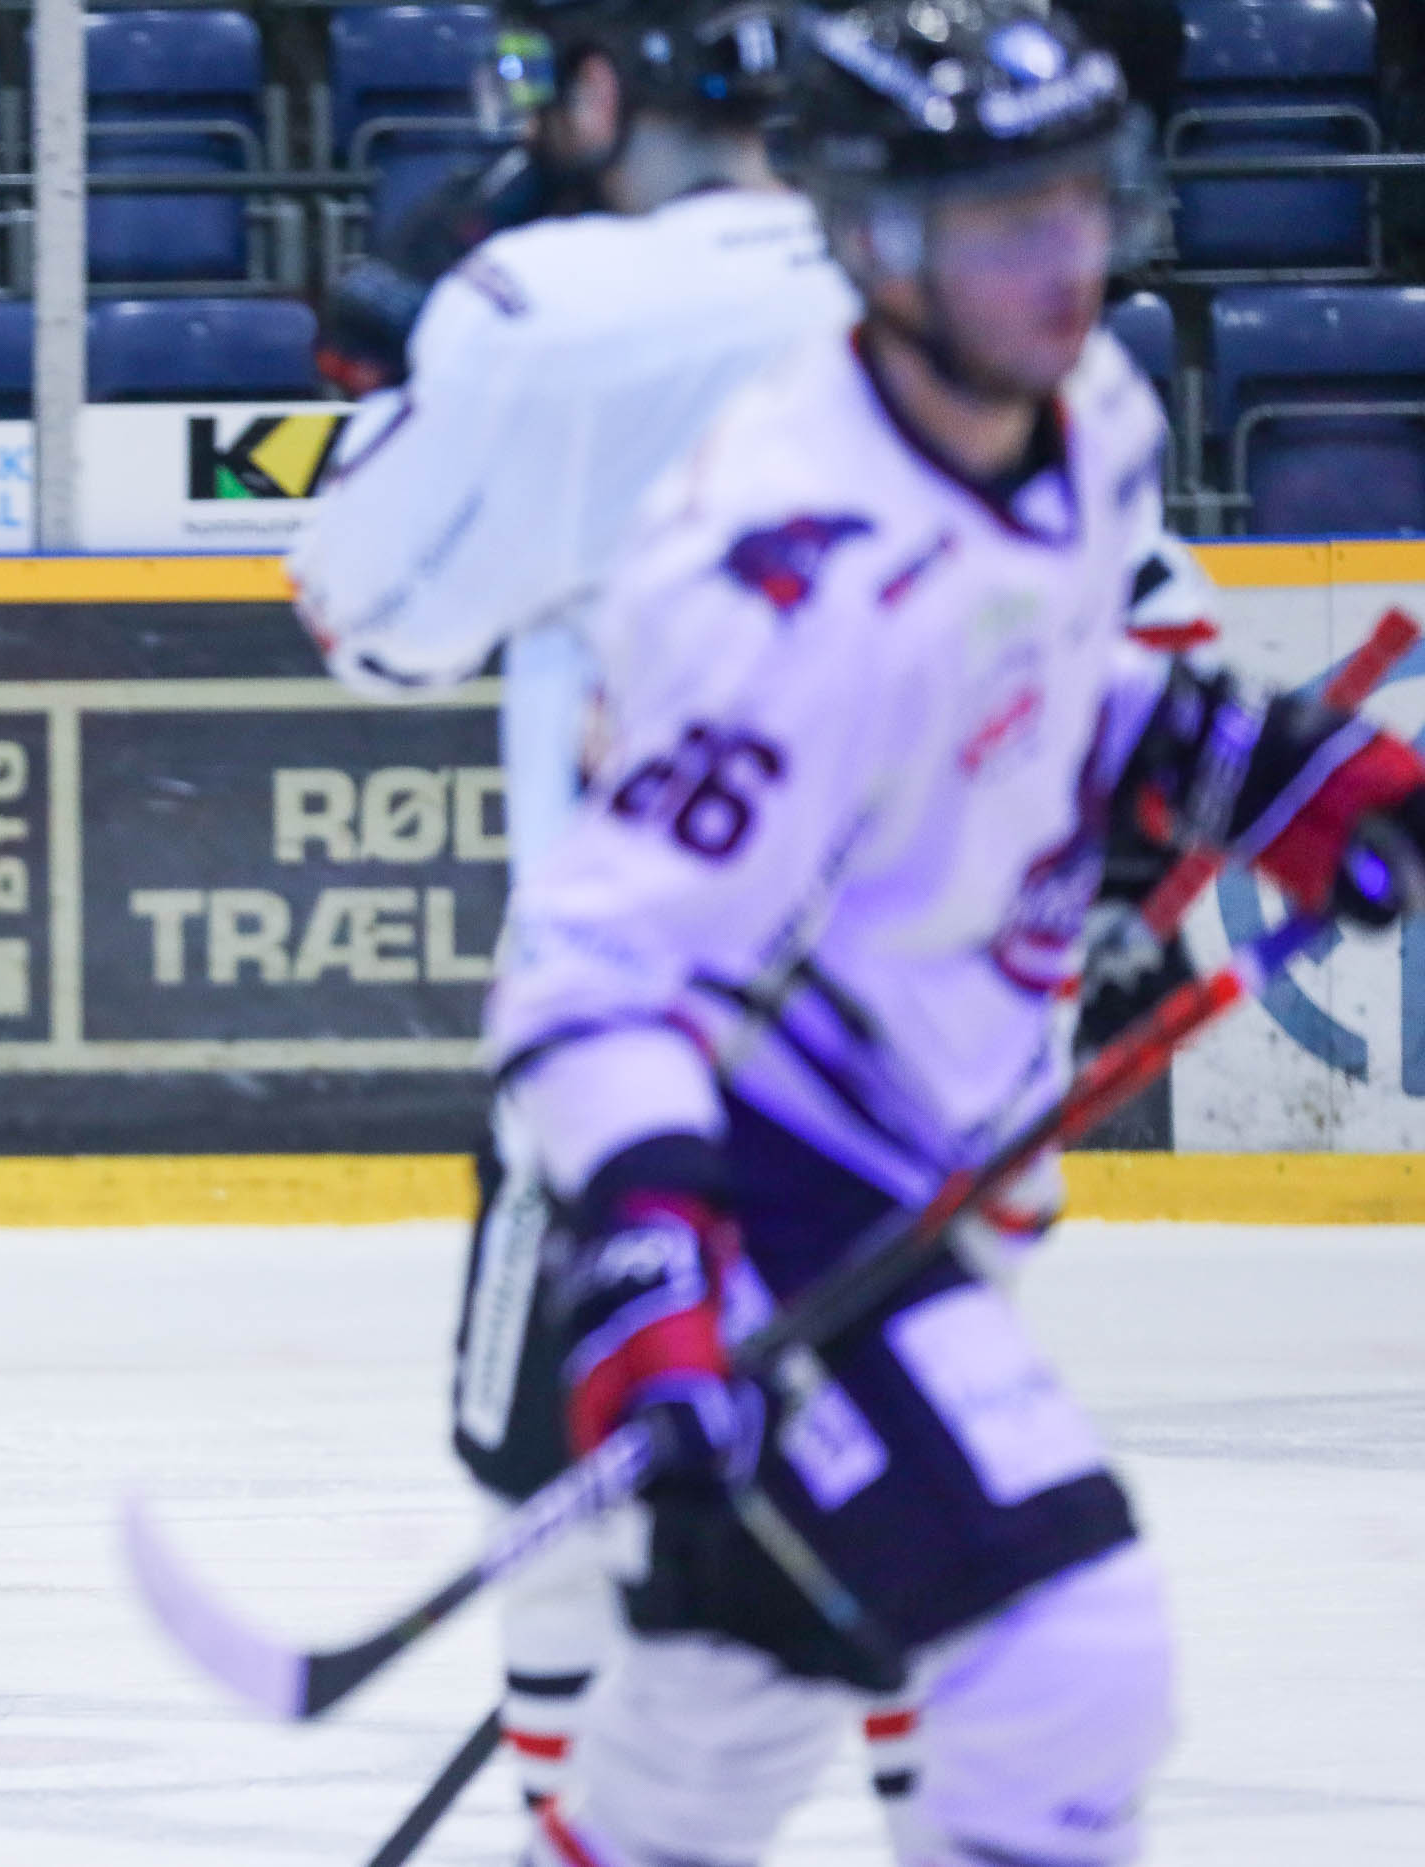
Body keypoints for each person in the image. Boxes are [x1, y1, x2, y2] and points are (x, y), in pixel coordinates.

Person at [496, 4, 1425, 1860]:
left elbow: (1058, 696)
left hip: (939, 1155)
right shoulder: (783, 568)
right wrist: (653, 1272)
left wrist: (1268, 772)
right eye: (1004, 219)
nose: (1064, 261)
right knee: (1066, 1652)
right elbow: (597, 972)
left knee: (732, 1706)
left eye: (1081, 204)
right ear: (868, 237)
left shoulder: (1088, 412)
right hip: (778, 1184)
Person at [287, 0, 859, 1807]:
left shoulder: (547, 314)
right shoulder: (949, 270)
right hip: (915, 1034)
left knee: (543, 1460)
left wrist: (409, 391)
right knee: (898, 1479)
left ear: (610, 90)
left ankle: (567, 1831)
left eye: (547, 76)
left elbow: (361, 616)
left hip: (633, 1033)